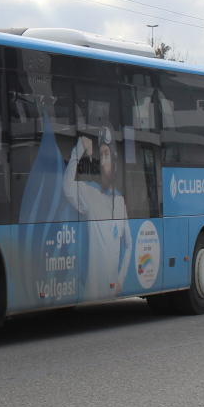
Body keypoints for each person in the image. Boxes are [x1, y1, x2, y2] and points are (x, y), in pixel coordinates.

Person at [62, 126, 131, 301]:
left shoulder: (121, 202)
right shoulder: (90, 193)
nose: (102, 162)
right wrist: (78, 149)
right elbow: (67, 186)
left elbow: (128, 245)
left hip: (110, 293)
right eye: (101, 156)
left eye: (106, 155)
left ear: (114, 162)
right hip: (91, 294)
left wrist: (120, 280)